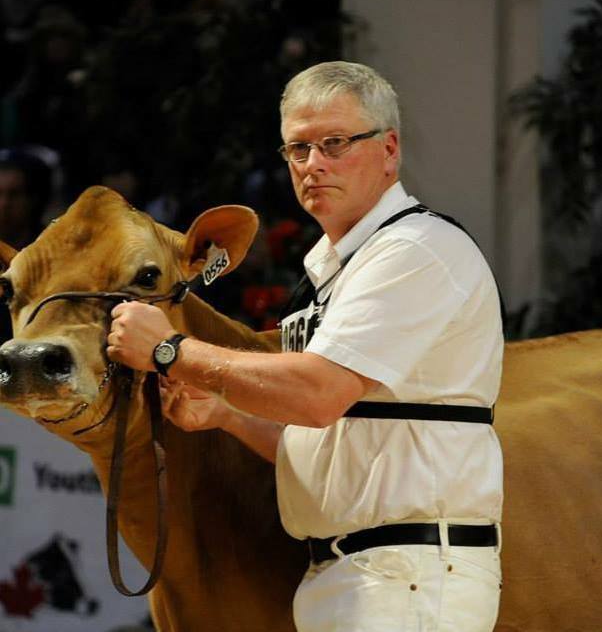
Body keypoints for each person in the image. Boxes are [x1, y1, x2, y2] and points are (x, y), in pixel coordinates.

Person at [107, 61, 504, 632]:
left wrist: (170, 350)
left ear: (389, 150)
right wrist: (227, 415)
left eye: (336, 143)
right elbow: (332, 441)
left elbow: (319, 395)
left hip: (406, 575)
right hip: (356, 574)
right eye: (298, 149)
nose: (314, 164)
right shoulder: (336, 267)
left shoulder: (416, 249)